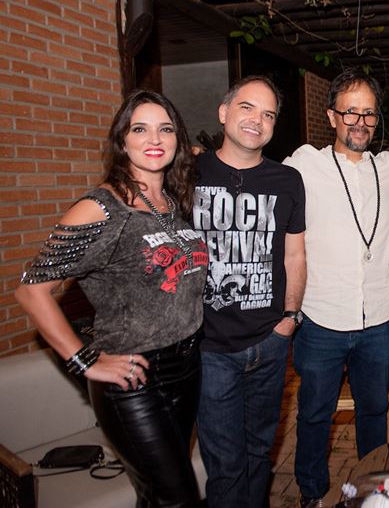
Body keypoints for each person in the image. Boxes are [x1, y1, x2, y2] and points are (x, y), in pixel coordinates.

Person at [16, 90, 208, 507]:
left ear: (177, 140)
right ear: (122, 141)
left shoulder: (172, 203)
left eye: (165, 128)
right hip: (135, 379)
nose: (154, 138)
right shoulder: (101, 207)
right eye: (140, 128)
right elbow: (32, 290)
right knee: (179, 499)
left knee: (155, 496)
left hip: (187, 367)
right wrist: (84, 361)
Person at [283, 68, 389, 507]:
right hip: (320, 317)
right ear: (332, 116)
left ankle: (371, 490)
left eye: (369, 114)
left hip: (377, 319)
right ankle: (313, 494)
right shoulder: (303, 165)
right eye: (350, 112)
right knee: (315, 415)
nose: (360, 122)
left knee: (375, 413)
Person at [193, 75, 306, 508]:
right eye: (247, 107)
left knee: (260, 453)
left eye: (268, 114)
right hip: (211, 349)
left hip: (270, 343)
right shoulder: (189, 172)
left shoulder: (287, 180)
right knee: (225, 464)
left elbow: (295, 256)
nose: (257, 120)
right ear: (223, 113)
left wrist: (288, 321)